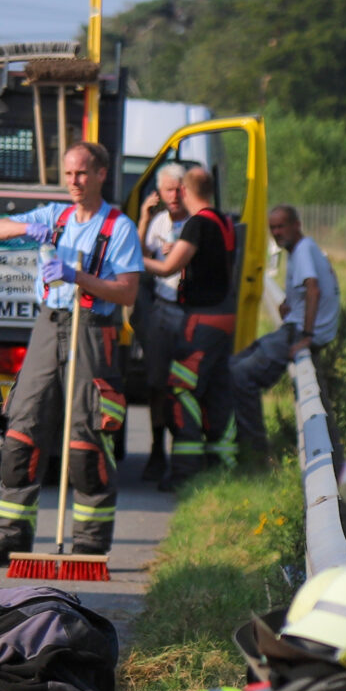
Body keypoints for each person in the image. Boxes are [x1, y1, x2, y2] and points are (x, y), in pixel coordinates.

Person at [0, 141, 142, 559]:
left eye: (81, 174)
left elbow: (127, 291)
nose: (73, 182)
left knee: (87, 439)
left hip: (94, 329)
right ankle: (9, 536)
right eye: (69, 174)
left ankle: (89, 545)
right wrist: (25, 229)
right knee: (23, 427)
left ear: (100, 175)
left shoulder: (119, 227)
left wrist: (78, 276)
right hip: (49, 323)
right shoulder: (54, 216)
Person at [142, 164, 239, 488]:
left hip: (202, 321)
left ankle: (184, 472)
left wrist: (131, 259)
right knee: (216, 392)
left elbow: (169, 266)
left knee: (180, 390)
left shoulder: (197, 224)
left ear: (184, 190)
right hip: (225, 318)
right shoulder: (224, 220)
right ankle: (222, 466)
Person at [228, 204, 339, 471]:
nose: (277, 232)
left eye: (281, 226)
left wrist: (307, 337)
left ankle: (256, 453)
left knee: (241, 375)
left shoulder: (302, 252)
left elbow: (313, 289)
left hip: (298, 333)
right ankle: (241, 444)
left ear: (296, 225)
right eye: (273, 228)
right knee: (233, 365)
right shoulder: (305, 249)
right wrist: (289, 303)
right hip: (295, 328)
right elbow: (307, 291)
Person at [135, 163, 189, 482]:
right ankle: (157, 450)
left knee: (182, 386)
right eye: (168, 189)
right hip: (160, 309)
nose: (174, 195)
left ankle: (182, 453)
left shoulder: (195, 223)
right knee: (156, 384)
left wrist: (176, 256)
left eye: (179, 189)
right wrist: (143, 218)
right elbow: (139, 256)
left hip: (187, 311)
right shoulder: (158, 222)